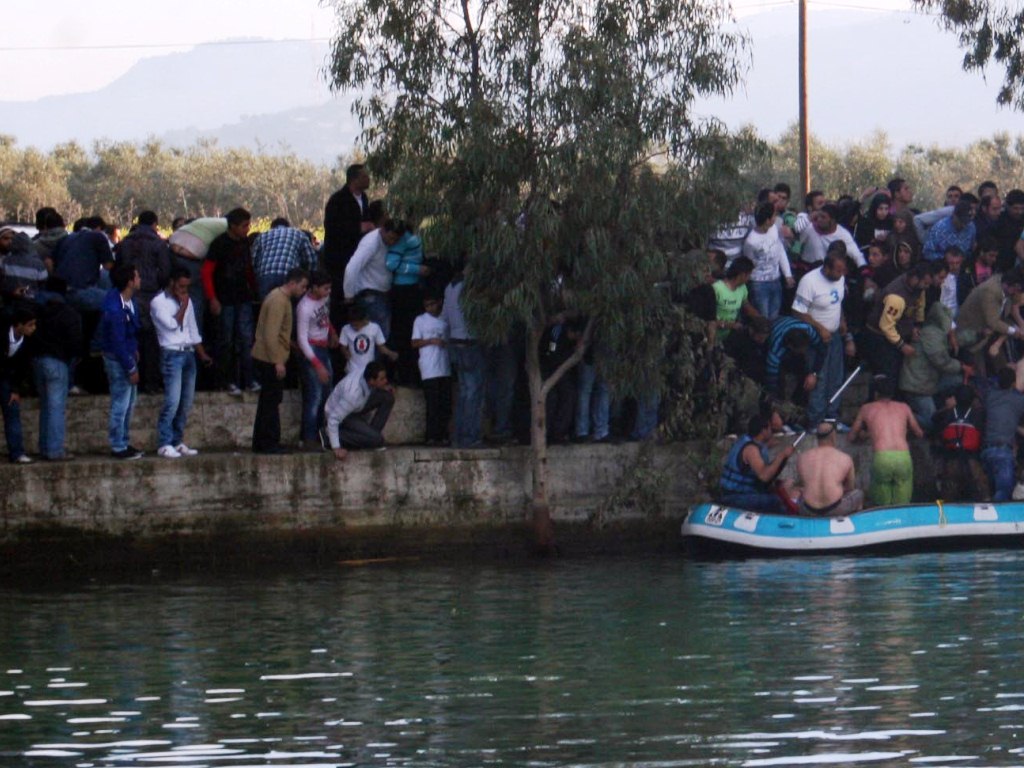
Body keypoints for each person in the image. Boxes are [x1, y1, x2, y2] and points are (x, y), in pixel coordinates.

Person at [792, 247, 856, 429]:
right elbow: (797, 311)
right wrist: (819, 328)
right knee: (818, 378)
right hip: (815, 338)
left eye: (843, 271)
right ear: (827, 268)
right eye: (838, 271)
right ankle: (815, 420)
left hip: (835, 336)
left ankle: (832, 417)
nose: (841, 274)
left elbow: (838, 303)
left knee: (835, 377)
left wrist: (842, 321)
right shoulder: (809, 281)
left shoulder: (840, 277)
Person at [150, 268, 212, 458]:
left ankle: (177, 440)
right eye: (181, 285)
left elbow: (192, 329)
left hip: (188, 353)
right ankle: (164, 442)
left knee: (185, 402)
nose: (184, 289)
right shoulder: (158, 302)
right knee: (172, 400)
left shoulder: (188, 299)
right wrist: (184, 305)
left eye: (187, 286)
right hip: (171, 354)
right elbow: (171, 324)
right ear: (172, 282)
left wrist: (202, 354)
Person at [251, 267, 309, 454]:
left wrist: (291, 345)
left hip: (270, 355)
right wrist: (278, 361)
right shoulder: (278, 301)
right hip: (269, 358)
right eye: (303, 286)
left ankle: (262, 442)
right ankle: (269, 443)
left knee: (268, 400)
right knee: (271, 401)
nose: (304, 290)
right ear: (292, 283)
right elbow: (270, 334)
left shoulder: (279, 298)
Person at [115, 210, 173, 393]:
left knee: (130, 337)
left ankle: (132, 380)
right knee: (151, 340)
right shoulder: (158, 244)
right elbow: (165, 272)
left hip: (128, 294)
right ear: (155, 224)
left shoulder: (125, 242)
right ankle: (151, 383)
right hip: (151, 295)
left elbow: (117, 268)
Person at [202, 207, 257, 394]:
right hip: (225, 299)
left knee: (246, 339)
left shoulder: (244, 244)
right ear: (232, 226)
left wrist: (254, 289)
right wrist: (212, 298)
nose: (247, 229)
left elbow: (248, 269)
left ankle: (248, 379)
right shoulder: (219, 244)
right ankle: (227, 380)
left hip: (243, 298)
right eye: (244, 226)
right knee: (227, 341)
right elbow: (207, 272)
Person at [850, 375, 924, 506]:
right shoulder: (904, 407)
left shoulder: (866, 408)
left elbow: (851, 436)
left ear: (876, 393)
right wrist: (903, 432)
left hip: (882, 457)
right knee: (902, 505)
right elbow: (919, 433)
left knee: (882, 505)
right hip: (903, 457)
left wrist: (867, 434)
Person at [898, 300, 972, 432]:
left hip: (930, 381)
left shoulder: (939, 333)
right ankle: (903, 416)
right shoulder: (931, 335)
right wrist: (962, 366)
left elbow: (956, 341)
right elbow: (941, 361)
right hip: (917, 388)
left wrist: (979, 334)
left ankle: (939, 405)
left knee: (957, 380)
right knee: (931, 422)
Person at [30, 279, 82, 461]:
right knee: (56, 408)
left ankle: (45, 447)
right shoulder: (68, 313)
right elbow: (76, 342)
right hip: (57, 361)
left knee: (46, 406)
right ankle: (54, 450)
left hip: (37, 360)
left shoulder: (35, 309)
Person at [98, 263, 144, 460]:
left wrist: (133, 351)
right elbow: (117, 342)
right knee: (121, 403)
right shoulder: (115, 309)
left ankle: (123, 440)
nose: (140, 279)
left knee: (129, 403)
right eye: (137, 276)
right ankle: (118, 445)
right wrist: (131, 367)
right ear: (129, 282)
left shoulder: (128, 302)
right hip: (118, 360)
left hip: (126, 355)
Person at [322, 163, 373, 327]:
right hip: (339, 260)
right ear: (355, 179)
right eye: (365, 176)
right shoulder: (338, 200)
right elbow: (332, 227)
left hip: (359, 256)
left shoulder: (364, 199)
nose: (368, 179)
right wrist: (357, 228)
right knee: (340, 301)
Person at [441, 263, 486, 448]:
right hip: (469, 343)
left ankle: (458, 436)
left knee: (464, 392)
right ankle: (470, 437)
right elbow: (475, 315)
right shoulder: (469, 288)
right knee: (473, 393)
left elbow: (444, 318)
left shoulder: (450, 286)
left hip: (455, 343)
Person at [717, 413, 794, 514]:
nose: (771, 432)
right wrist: (782, 455)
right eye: (770, 429)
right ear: (763, 431)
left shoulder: (744, 441)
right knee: (775, 501)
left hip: (734, 493)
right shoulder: (751, 449)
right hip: (736, 496)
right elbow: (764, 476)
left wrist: (767, 446)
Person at [295, 270, 338, 450]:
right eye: (325, 288)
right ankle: (309, 438)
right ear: (314, 288)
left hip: (323, 346)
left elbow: (325, 318)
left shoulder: (323, 299)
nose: (328, 292)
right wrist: (317, 364)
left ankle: (323, 433)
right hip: (311, 349)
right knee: (315, 395)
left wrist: (332, 332)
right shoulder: (304, 308)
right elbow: (302, 339)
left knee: (327, 392)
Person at [343, 217, 404, 341]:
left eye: (395, 240)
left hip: (383, 294)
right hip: (371, 295)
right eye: (390, 238)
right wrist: (348, 295)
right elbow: (352, 268)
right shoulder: (371, 243)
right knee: (378, 337)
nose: (392, 242)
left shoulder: (390, 243)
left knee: (381, 335)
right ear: (382, 230)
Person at [324, 360, 395, 460]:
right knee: (378, 439)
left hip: (357, 407)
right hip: (344, 416)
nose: (386, 381)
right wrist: (336, 447)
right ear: (371, 381)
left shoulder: (366, 375)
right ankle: (327, 437)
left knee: (387, 397)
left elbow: (373, 389)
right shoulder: (352, 393)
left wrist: (383, 387)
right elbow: (333, 419)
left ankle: (371, 438)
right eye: (382, 379)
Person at [796, 422, 863, 516]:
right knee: (858, 494)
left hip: (808, 510)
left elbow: (805, 483)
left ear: (817, 437)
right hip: (835, 509)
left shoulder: (802, 458)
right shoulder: (845, 458)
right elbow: (850, 488)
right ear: (833, 436)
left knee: (799, 494)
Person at [411, 294, 452, 445]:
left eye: (432, 304)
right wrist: (431, 341)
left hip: (445, 367)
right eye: (427, 305)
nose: (430, 308)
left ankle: (444, 435)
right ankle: (431, 436)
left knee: (445, 404)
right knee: (432, 404)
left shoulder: (445, 319)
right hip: (429, 368)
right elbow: (414, 343)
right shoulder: (420, 320)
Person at [742, 201, 793, 320]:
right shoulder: (751, 242)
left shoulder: (773, 229)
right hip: (759, 284)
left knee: (774, 317)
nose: (776, 218)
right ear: (767, 220)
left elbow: (780, 250)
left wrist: (787, 274)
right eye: (774, 216)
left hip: (776, 280)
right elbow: (749, 263)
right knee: (762, 318)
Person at [0, 306, 38, 464]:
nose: (33, 328)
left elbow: (24, 367)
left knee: (12, 412)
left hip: (8, 379)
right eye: (29, 324)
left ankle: (17, 453)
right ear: (18, 325)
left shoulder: (29, 342)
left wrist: (16, 389)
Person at [982, 364, 1024, 501]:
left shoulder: (989, 395)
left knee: (990, 491)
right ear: (1013, 383)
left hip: (985, 452)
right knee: (1003, 496)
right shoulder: (1018, 400)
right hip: (1003, 453)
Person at [252, 218, 318, 299]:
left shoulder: (261, 236)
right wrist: (307, 278)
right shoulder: (298, 234)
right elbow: (311, 260)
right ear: (288, 226)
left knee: (268, 306)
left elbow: (253, 260)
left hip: (265, 277)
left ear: (272, 227)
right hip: (289, 277)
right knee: (289, 307)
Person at [338, 303, 398, 378]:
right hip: (352, 368)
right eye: (352, 325)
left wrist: (390, 353)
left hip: (368, 369)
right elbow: (342, 346)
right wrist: (345, 352)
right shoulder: (346, 329)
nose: (354, 327)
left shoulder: (375, 328)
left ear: (364, 320)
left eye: (356, 325)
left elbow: (381, 347)